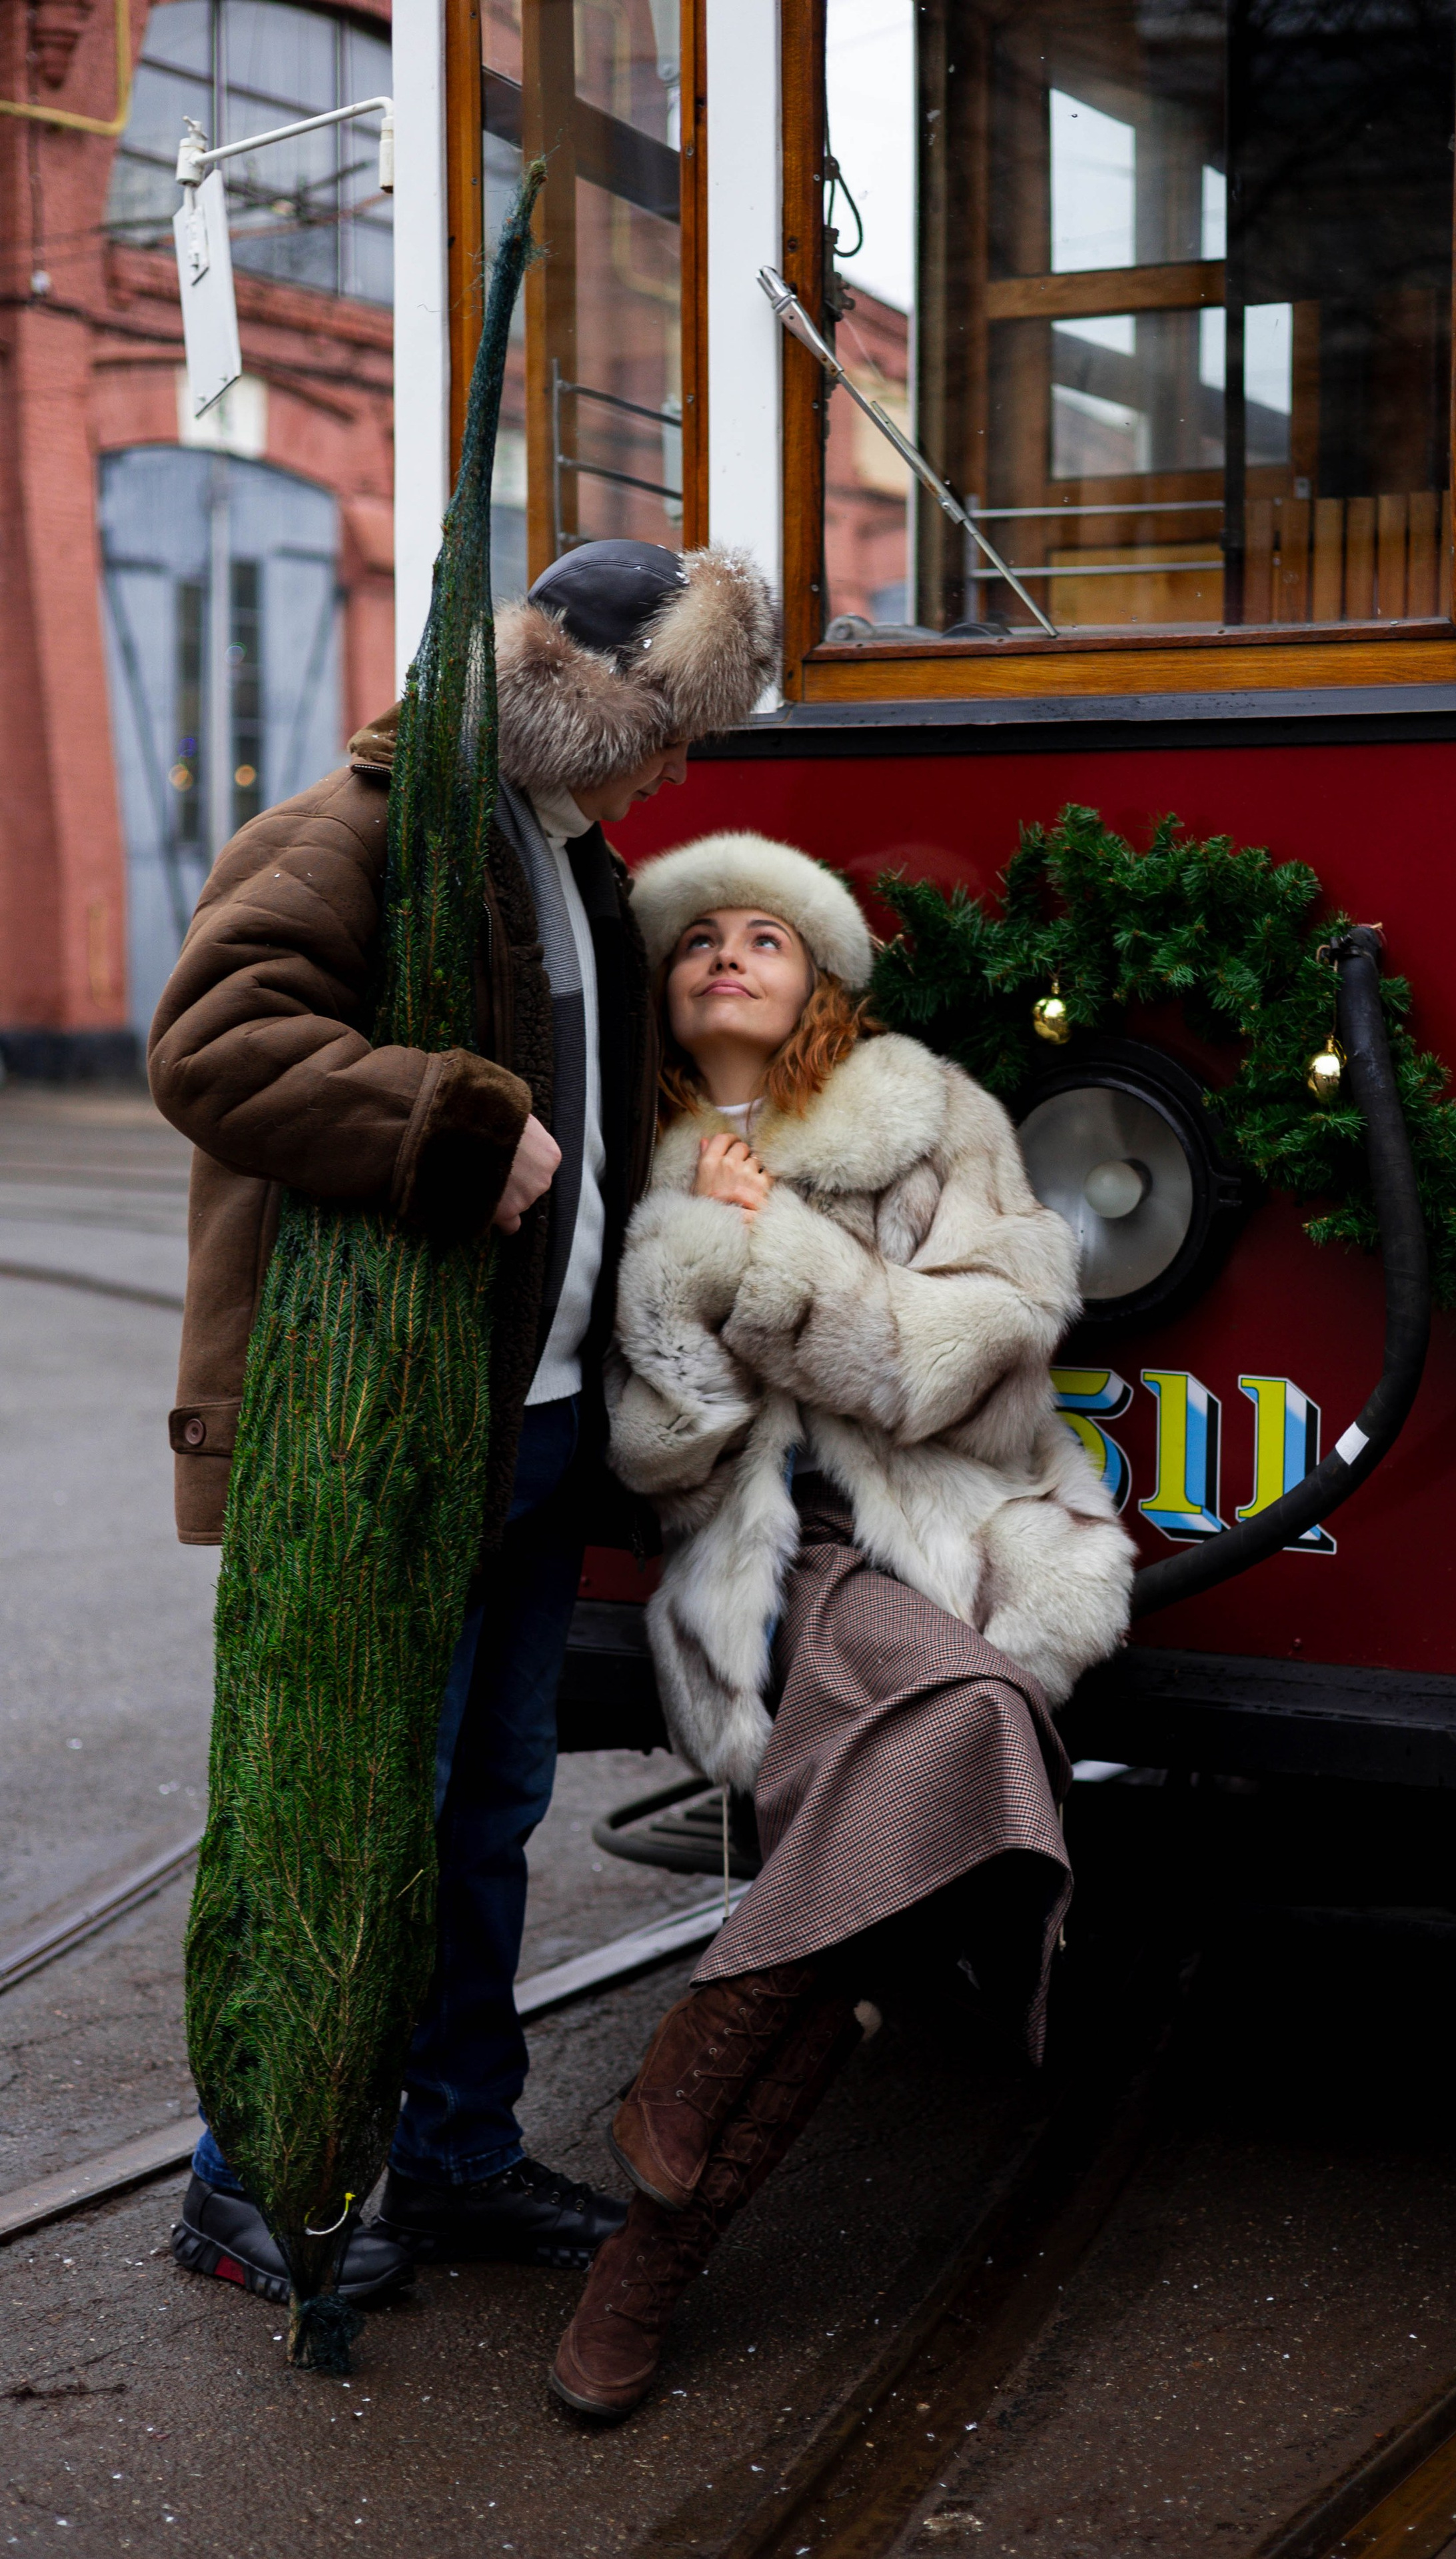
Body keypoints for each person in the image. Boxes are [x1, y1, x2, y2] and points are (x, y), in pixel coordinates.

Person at [147, 539, 778, 2310]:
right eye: (670, 728)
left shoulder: (577, 862)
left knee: (483, 1815)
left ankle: (450, 2151)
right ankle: (246, 2182)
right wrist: (440, 1118)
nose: (679, 771)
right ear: (577, 695)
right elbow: (209, 1039)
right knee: (341, 1807)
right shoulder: (362, 835)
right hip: (382, 1448)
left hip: (537, 1428)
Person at [548, 834, 1135, 2418]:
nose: (726, 957)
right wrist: (700, 1259)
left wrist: (782, 1257)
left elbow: (983, 1354)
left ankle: (660, 2205)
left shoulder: (925, 1114)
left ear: (818, 979)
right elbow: (658, 1452)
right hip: (756, 1575)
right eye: (696, 943)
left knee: (960, 1722)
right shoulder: (633, 1164)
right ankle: (653, 2239)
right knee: (899, 1845)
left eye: (766, 937)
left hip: (937, 1532)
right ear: (663, 988)